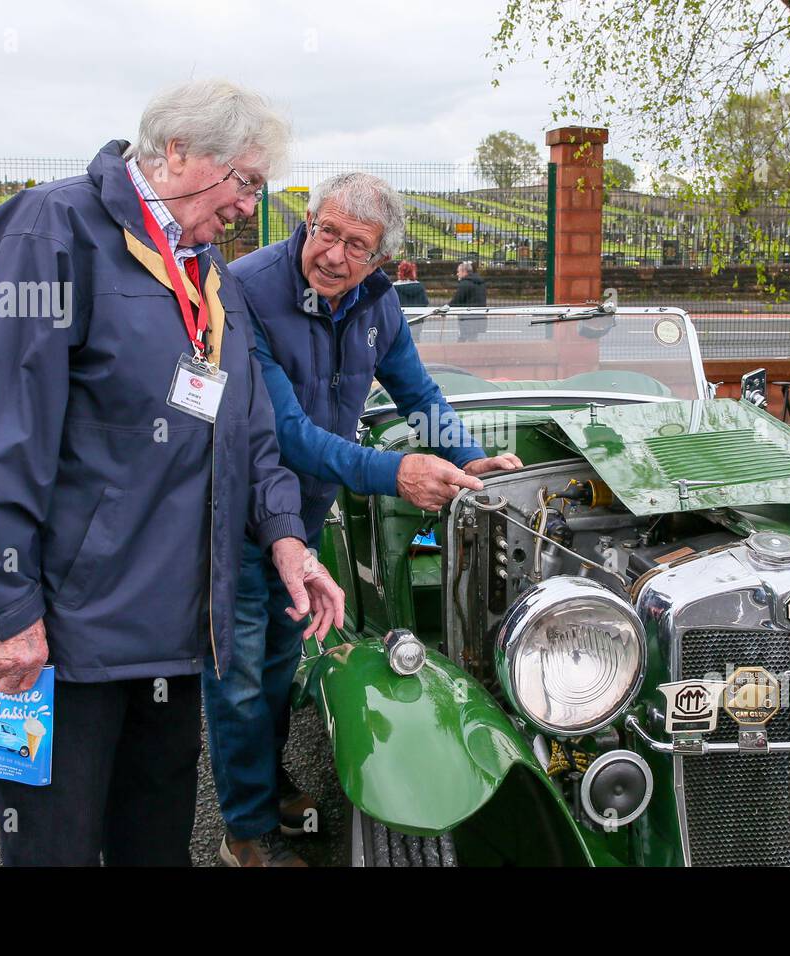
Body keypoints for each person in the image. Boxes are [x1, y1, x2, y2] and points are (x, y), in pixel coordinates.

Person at [0, 79, 344, 867]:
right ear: (178, 151)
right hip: (47, 641)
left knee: (153, 847)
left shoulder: (207, 273)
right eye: (247, 181)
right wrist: (7, 611)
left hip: (166, 636)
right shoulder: (49, 230)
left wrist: (288, 539)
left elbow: (248, 429)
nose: (251, 207)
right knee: (54, 851)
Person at [208, 171, 521, 867]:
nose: (334, 256)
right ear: (307, 221)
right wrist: (393, 472)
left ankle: (268, 786)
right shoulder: (247, 289)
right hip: (235, 517)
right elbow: (282, 431)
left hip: (306, 518)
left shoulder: (378, 302)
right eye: (326, 233)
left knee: (281, 667)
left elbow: (418, 394)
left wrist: (471, 463)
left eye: (357, 246)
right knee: (237, 681)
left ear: (381, 260)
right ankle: (243, 833)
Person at [450, 260, 487, 340]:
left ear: (464, 272)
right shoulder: (481, 283)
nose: (457, 274)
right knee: (472, 339)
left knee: (463, 340)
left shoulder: (465, 284)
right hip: (479, 317)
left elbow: (456, 301)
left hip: (467, 319)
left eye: (458, 271)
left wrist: (445, 308)